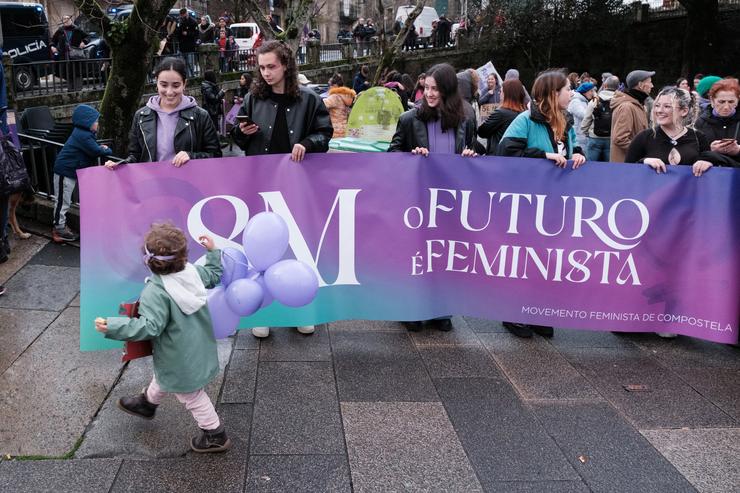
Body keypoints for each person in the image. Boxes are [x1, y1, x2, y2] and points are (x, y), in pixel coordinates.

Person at [95, 224, 231, 453]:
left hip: (178, 354)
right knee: (165, 374)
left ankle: (215, 434)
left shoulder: (156, 292)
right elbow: (214, 275)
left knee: (192, 395)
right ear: (183, 257)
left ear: (148, 261)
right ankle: (147, 403)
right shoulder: (193, 273)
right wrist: (213, 252)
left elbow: (150, 327)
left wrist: (114, 326)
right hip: (197, 346)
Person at [230, 41, 332, 338]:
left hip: (298, 184)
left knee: (298, 246)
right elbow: (238, 138)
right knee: (260, 247)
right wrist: (241, 132)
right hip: (261, 184)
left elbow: (325, 133)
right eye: (261, 68)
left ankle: (300, 309)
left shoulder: (310, 99)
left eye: (271, 66)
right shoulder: (252, 98)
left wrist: (308, 144)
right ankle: (262, 311)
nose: (266, 73)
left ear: (286, 64)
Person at [388, 63, 478, 333]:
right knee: (416, 255)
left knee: (444, 255)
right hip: (417, 202)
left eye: (435, 89)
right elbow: (391, 157)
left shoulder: (465, 121)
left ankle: (441, 309)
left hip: (450, 203)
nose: (428, 93)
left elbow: (474, 152)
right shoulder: (408, 119)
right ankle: (411, 308)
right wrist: (409, 158)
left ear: (448, 90)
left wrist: (472, 155)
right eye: (426, 87)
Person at [498, 71, 586, 338]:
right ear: (552, 93)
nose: (571, 93)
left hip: (554, 202)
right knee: (524, 258)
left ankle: (537, 312)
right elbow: (505, 153)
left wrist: (579, 154)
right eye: (567, 89)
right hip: (526, 202)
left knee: (545, 259)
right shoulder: (525, 120)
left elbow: (571, 148)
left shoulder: (565, 122)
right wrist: (542, 155)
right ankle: (512, 314)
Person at [105, 57, 221, 169]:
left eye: (176, 85)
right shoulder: (141, 116)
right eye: (164, 85)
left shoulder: (201, 116)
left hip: (189, 184)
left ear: (184, 84)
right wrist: (121, 165)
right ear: (156, 83)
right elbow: (136, 156)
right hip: (153, 184)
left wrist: (191, 156)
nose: (169, 92)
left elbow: (215, 155)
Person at [51, 104, 112, 243]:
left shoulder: (85, 134)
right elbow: (96, 151)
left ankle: (60, 226)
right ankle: (59, 228)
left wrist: (100, 147)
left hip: (70, 170)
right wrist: (107, 150)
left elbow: (94, 148)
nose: (97, 124)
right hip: (64, 171)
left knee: (64, 200)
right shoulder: (83, 135)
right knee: (62, 200)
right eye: (96, 122)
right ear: (87, 122)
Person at [609, 69, 654, 163]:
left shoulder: (638, 105)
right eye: (650, 82)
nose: (652, 86)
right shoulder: (627, 107)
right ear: (641, 85)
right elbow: (620, 138)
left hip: (632, 163)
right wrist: (641, 151)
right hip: (626, 166)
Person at [694, 78, 740, 166]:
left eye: (731, 102)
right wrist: (710, 149)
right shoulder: (700, 123)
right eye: (721, 102)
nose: (726, 107)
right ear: (712, 100)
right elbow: (690, 153)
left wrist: (738, 150)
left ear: (737, 100)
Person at [478, 78, 528, 154]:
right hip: (516, 157)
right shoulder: (524, 114)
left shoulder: (501, 113)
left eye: (501, 91)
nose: (499, 94)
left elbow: (481, 132)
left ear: (507, 94)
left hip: (498, 157)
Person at [580, 75, 619, 162]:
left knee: (590, 167)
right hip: (611, 139)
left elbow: (586, 120)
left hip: (594, 137)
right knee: (609, 168)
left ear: (604, 86)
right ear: (618, 87)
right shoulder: (619, 102)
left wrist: (586, 132)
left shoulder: (595, 100)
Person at [50, 14, 88, 91]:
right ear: (63, 21)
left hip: (76, 55)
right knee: (68, 73)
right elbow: (52, 41)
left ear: (71, 20)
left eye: (68, 18)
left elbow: (87, 37)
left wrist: (83, 42)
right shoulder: (60, 31)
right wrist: (52, 47)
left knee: (77, 72)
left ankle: (78, 90)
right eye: (64, 19)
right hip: (64, 55)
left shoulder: (77, 29)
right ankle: (70, 90)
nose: (66, 20)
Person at [568, 81, 596, 150]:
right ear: (585, 92)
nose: (593, 93)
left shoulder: (583, 101)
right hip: (578, 137)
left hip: (582, 136)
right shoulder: (576, 101)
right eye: (591, 91)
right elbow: (584, 115)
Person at [174, 8, 198, 77]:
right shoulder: (180, 22)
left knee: (190, 63)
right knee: (182, 64)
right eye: (182, 15)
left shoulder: (193, 22)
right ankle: (184, 77)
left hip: (190, 46)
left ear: (186, 13)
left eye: (184, 14)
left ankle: (191, 77)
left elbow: (196, 34)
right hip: (182, 46)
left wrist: (187, 33)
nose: (183, 16)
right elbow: (177, 33)